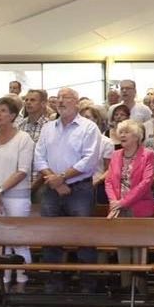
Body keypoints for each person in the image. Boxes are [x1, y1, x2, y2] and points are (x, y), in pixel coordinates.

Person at [33, 88, 103, 293]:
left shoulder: (89, 128)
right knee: (50, 237)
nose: (61, 101)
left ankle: (87, 283)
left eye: (66, 98)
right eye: (59, 98)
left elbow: (89, 160)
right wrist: (54, 180)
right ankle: (53, 282)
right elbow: (39, 157)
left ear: (77, 103)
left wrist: (61, 177)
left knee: (84, 237)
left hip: (80, 189)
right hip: (51, 188)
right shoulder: (47, 128)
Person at [104, 119, 154, 294]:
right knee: (122, 250)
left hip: (139, 208)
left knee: (139, 250)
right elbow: (109, 181)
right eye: (121, 131)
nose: (122, 135)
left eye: (127, 131)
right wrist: (114, 202)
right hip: (118, 209)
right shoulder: (116, 155)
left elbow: (146, 183)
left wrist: (123, 202)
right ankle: (126, 288)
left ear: (137, 136)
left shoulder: (147, 154)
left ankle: (140, 292)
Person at [0, 95, 34, 290]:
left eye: (3, 111)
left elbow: (23, 170)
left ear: (13, 116)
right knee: (0, 241)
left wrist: (0, 190)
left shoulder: (23, 138)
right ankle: (4, 281)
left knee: (19, 240)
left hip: (16, 195)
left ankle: (23, 280)